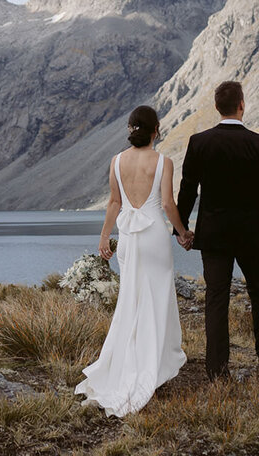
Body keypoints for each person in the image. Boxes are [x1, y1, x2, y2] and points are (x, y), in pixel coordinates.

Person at [75, 105, 193, 416]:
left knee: (130, 300)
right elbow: (167, 203)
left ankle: (127, 363)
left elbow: (114, 202)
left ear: (131, 129)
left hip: (127, 238)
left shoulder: (116, 162)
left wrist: (104, 237)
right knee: (157, 299)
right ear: (156, 130)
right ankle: (153, 365)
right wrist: (182, 232)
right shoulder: (163, 161)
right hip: (154, 236)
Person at [176, 80, 259, 380]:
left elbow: (188, 190)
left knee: (216, 299)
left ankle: (217, 371)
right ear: (242, 105)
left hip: (213, 235)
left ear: (216, 107)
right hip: (252, 235)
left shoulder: (199, 142)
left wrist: (181, 229)